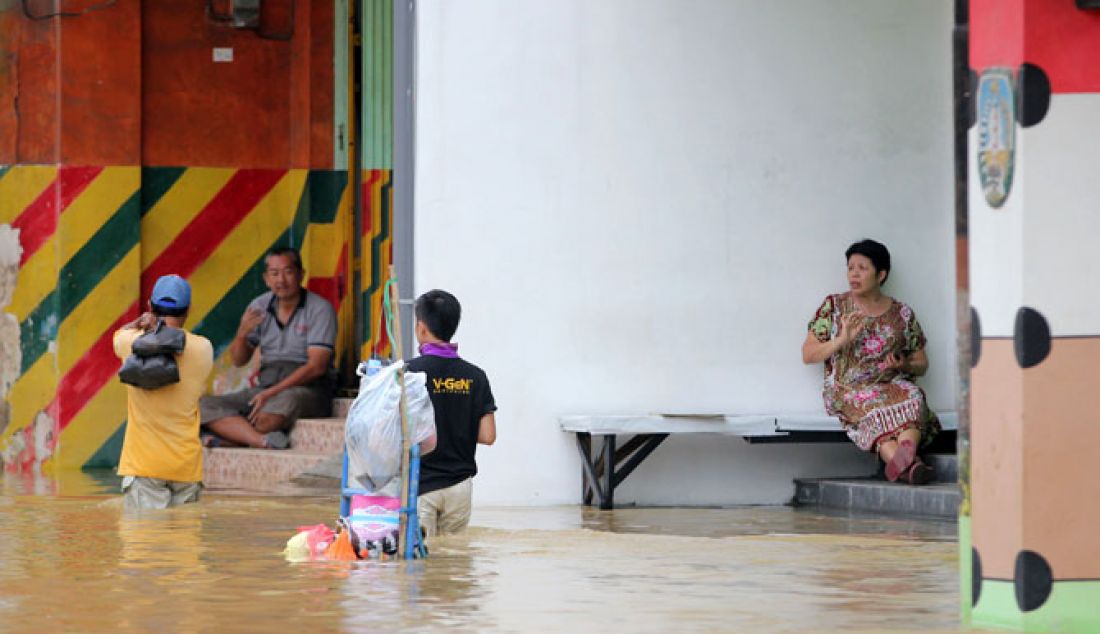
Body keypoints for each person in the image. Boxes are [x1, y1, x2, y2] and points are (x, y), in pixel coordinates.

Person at [801, 239, 941, 485]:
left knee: (914, 396)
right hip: (848, 387)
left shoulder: (902, 314)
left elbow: (922, 362)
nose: (853, 274)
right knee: (872, 414)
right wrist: (840, 341)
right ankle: (910, 465)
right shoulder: (835, 307)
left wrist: (904, 365)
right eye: (850, 267)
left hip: (891, 384)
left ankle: (904, 463)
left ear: (881, 275)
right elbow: (808, 354)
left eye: (862, 268)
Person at [199, 247, 337, 449]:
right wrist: (241, 333)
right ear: (266, 278)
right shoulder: (260, 306)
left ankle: (230, 435)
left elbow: (316, 367)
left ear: (301, 274)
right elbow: (239, 361)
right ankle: (258, 440)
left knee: (268, 416)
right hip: (266, 385)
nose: (281, 280)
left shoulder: (319, 309)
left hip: (307, 389)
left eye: (288, 272)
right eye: (274, 273)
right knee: (201, 406)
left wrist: (271, 393)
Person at [113, 275, 214, 510]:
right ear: (187, 310)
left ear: (149, 306)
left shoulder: (131, 342)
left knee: (146, 542)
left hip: (144, 466)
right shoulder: (203, 349)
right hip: (186, 468)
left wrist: (138, 324)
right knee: (182, 541)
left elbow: (117, 336)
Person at [408, 289, 497, 537]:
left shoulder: (408, 373)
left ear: (422, 328)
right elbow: (488, 436)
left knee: (422, 562)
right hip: (460, 487)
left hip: (421, 485)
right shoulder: (476, 376)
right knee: (453, 560)